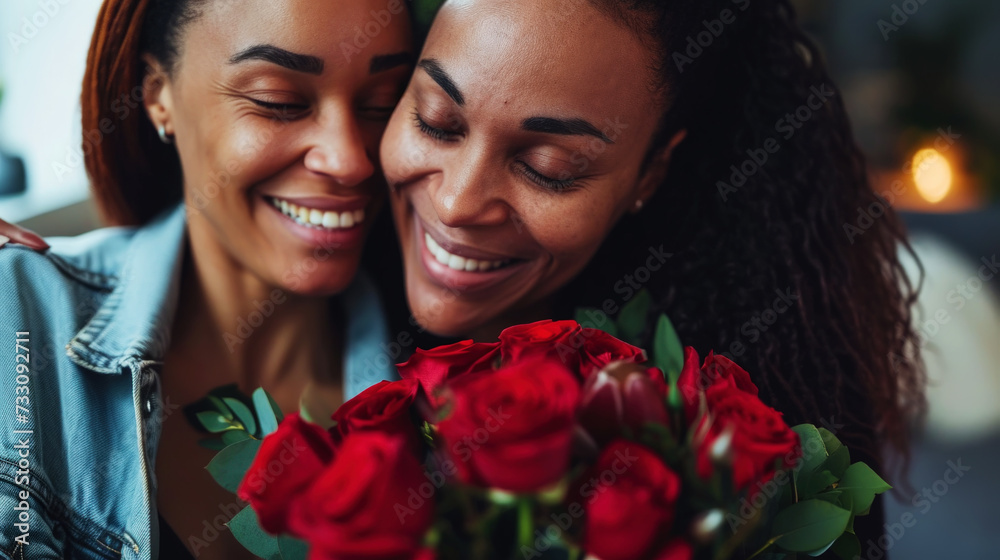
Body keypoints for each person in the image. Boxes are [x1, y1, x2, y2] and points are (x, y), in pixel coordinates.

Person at [0, 0, 413, 558]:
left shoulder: (457, 387)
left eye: (385, 104)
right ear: (158, 98)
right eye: (279, 102)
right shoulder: (20, 316)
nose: (350, 161)